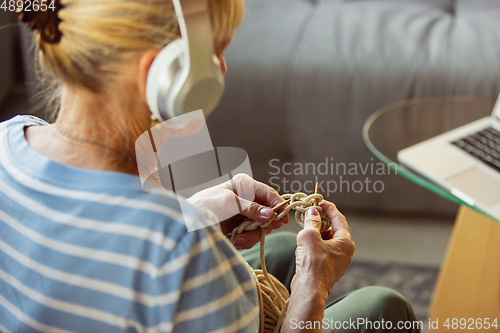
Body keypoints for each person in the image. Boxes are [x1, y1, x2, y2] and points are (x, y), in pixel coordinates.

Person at [0, 0, 420, 332]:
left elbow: (98, 242)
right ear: (159, 75)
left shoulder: (9, 140)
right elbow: (153, 251)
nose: (222, 69)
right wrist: (314, 286)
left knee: (274, 249)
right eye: (214, 53)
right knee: (384, 308)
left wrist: (189, 218)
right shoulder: (181, 255)